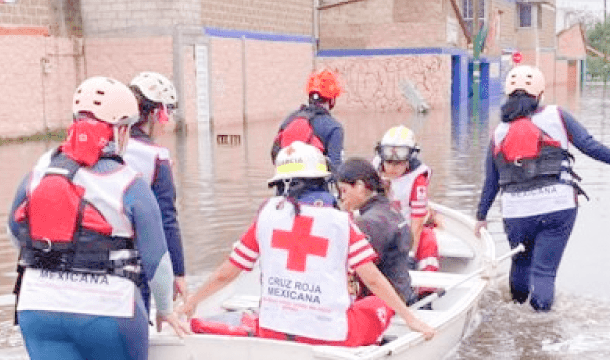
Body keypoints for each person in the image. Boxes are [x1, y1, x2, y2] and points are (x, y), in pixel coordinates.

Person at [8, 76, 187, 360]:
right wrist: (165, 309)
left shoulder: (39, 172)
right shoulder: (128, 183)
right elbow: (156, 259)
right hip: (109, 312)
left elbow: (15, 229)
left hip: (37, 307)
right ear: (120, 130)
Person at [181, 143, 436, 346]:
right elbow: (373, 279)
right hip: (330, 336)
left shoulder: (266, 215)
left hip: (272, 330)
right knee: (379, 304)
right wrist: (410, 319)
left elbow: (227, 273)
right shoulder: (341, 222)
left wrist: (192, 301)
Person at [474, 64, 610, 312]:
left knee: (520, 263)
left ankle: (517, 311)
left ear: (507, 95)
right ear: (541, 94)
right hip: (557, 206)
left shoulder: (499, 132)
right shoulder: (557, 115)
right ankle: (542, 320)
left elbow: (491, 181)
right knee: (544, 271)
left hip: (516, 212)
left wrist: (481, 217)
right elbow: (589, 146)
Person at [126, 71, 186, 303]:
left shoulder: (102, 148)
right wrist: (178, 272)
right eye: (168, 112)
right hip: (135, 263)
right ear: (155, 113)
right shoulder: (156, 157)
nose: (167, 122)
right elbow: (167, 219)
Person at [335, 157, 416, 306]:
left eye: (344, 190)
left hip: (383, 302)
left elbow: (357, 270)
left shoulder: (367, 223)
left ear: (360, 186)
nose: (342, 197)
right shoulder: (391, 210)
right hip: (403, 291)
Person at [373, 125, 440, 273]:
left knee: (428, 239)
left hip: (407, 228)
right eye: (389, 162)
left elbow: (417, 222)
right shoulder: (374, 169)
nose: (393, 168)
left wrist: (410, 253)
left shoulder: (417, 179)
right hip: (380, 227)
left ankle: (426, 281)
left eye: (399, 163)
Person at [271, 69, 345, 172]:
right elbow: (336, 168)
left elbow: (274, 154)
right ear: (332, 100)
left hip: (284, 180)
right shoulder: (334, 127)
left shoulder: (289, 120)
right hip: (316, 180)